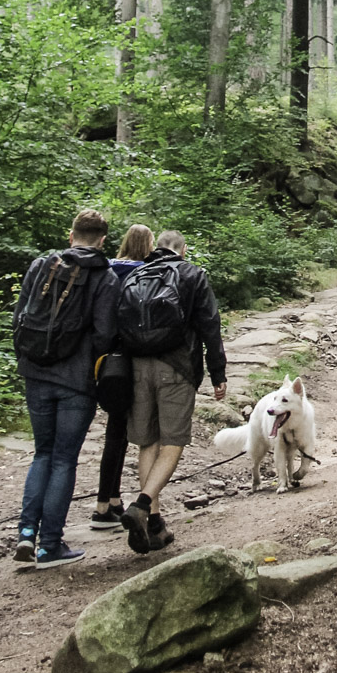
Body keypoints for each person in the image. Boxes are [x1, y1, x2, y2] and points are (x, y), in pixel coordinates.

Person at [12, 207, 119, 568]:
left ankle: (26, 533)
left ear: (70, 235)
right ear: (102, 240)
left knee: (42, 453)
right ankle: (50, 546)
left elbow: (20, 316)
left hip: (36, 372)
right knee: (63, 459)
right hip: (76, 381)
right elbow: (105, 333)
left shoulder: (42, 265)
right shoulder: (105, 277)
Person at [117, 228, 228, 554]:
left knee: (147, 441)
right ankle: (141, 505)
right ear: (183, 250)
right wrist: (217, 372)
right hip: (176, 368)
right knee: (173, 441)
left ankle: (154, 524)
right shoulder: (192, 274)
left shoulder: (136, 274)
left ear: (156, 248)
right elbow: (210, 324)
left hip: (137, 367)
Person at [89, 223, 154, 532]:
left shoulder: (108, 270)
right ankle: (102, 506)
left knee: (114, 432)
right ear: (148, 245)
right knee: (121, 434)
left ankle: (112, 500)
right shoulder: (146, 273)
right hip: (132, 359)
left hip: (106, 361)